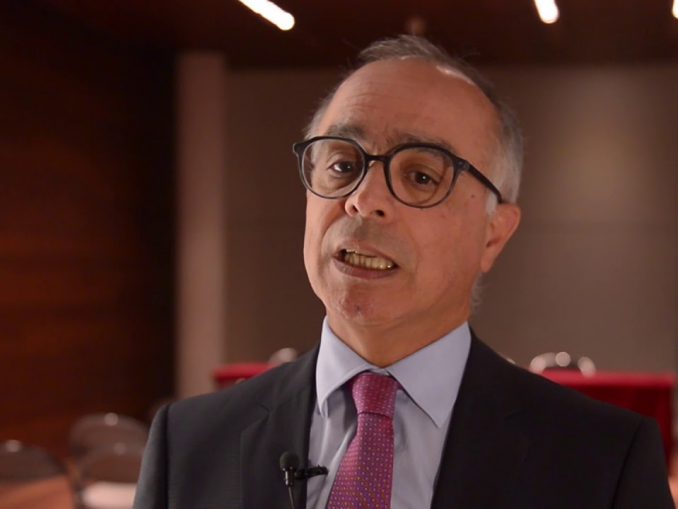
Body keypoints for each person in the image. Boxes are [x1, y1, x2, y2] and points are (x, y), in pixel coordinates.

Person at [134, 35, 673, 509]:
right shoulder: (189, 443)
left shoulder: (603, 462)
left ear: (494, 234)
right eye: (343, 165)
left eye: (420, 176)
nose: (363, 200)